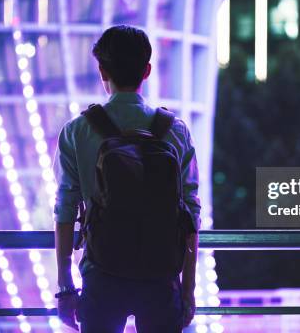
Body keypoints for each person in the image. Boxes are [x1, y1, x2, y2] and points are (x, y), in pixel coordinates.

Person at [53, 25, 201, 332]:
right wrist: (187, 290)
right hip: (161, 278)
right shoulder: (175, 130)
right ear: (147, 70)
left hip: (102, 274)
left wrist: (66, 286)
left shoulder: (77, 131)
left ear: (102, 70)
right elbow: (191, 214)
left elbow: (65, 210)